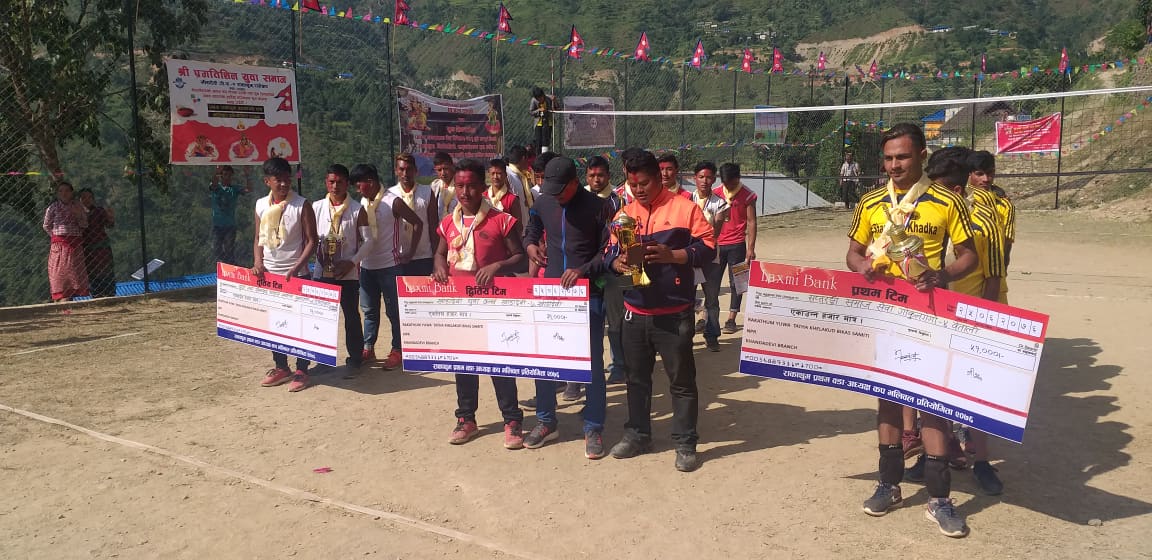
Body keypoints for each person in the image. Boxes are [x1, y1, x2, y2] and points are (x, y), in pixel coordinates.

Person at [846, 123, 977, 537]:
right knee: (887, 401)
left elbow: (969, 256)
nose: (894, 165)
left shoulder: (946, 201)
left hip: (929, 315)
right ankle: (889, 485)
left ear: (921, 155)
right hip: (884, 315)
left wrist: (942, 274)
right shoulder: (870, 202)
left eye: (902, 157)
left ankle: (939, 500)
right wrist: (862, 266)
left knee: (932, 404)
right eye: (888, 158)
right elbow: (852, 253)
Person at [607, 150, 717, 472]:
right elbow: (609, 252)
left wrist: (675, 255)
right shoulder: (624, 215)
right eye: (632, 185)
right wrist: (616, 262)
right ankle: (638, 435)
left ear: (659, 178)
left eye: (643, 183)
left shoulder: (685, 208)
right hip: (634, 311)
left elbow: (709, 248)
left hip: (674, 312)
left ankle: (685, 443)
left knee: (681, 381)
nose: (638, 190)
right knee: (636, 379)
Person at [522, 156, 613, 458]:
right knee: (545, 358)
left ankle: (594, 426)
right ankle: (546, 421)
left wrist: (583, 269)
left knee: (591, 363)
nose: (555, 196)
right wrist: (530, 245)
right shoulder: (544, 201)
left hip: (588, 294)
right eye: (551, 190)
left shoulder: (599, 207)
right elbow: (531, 228)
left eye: (560, 191)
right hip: (551, 294)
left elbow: (609, 250)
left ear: (575, 182)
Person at [929, 148, 1007, 497]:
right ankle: (942, 449)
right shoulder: (930, 214)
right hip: (937, 314)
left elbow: (993, 276)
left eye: (939, 188)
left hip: (972, 316)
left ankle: (983, 461)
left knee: (974, 388)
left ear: (957, 189)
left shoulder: (985, 222)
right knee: (935, 386)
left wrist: (981, 322)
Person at [434, 158, 527, 449]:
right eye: (460, 186)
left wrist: (498, 266)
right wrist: (439, 266)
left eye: (471, 186)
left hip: (493, 304)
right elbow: (439, 253)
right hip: (460, 306)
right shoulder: (449, 222)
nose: (465, 192)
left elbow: (521, 257)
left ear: (482, 186)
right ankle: (466, 419)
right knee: (463, 363)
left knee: (500, 364)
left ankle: (512, 420)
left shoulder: (500, 219)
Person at [254, 157, 319, 392]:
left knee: (300, 324)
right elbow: (258, 237)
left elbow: (312, 240)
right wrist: (258, 262)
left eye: (286, 179)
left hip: (297, 275)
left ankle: (302, 370)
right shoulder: (261, 205)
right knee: (275, 324)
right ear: (267, 181)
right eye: (278, 180)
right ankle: (281, 366)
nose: (283, 184)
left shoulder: (301, 205)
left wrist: (298, 266)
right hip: (271, 275)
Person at [354, 163, 425, 369]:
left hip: (389, 265)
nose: (357, 189)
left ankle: (398, 350)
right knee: (369, 311)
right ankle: (368, 347)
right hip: (367, 266)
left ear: (370, 182)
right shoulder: (363, 202)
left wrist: (410, 252)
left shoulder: (393, 201)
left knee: (394, 312)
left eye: (359, 184)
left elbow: (417, 222)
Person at [310, 164, 371, 382]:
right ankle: (322, 360)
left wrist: (352, 262)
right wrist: (318, 257)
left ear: (347, 184)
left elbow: (369, 241)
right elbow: (310, 238)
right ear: (326, 183)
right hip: (321, 271)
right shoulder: (316, 207)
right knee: (321, 316)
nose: (335, 186)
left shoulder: (357, 209)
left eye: (340, 182)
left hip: (347, 273)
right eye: (331, 181)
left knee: (351, 315)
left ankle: (355, 359)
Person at [585, 156, 627, 384]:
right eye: (592, 175)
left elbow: (623, 235)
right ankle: (587, 369)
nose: (596, 179)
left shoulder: (618, 201)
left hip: (611, 268)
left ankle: (618, 364)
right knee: (588, 322)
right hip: (586, 269)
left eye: (600, 175)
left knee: (614, 319)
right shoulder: (580, 199)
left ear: (608, 176)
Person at [690, 162, 730, 352]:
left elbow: (715, 232)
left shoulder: (719, 203)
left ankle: (712, 335)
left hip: (710, 257)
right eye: (701, 177)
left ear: (714, 179)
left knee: (712, 298)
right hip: (689, 257)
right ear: (694, 179)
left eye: (708, 177)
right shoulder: (687, 199)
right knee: (687, 298)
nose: (704, 181)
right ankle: (686, 335)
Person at [714, 163, 758, 334]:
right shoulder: (716, 193)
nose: (729, 186)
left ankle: (731, 318)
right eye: (726, 183)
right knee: (712, 282)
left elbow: (752, 222)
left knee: (737, 283)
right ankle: (708, 317)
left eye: (732, 183)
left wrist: (750, 248)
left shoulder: (748, 195)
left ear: (738, 178)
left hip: (738, 245)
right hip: (717, 245)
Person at [969, 150, 1016, 306]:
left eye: (990, 174)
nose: (986, 179)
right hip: (966, 281)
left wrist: (998, 277)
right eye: (979, 174)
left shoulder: (1005, 206)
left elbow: (1006, 247)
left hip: (995, 280)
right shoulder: (959, 200)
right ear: (969, 174)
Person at [42, 181, 90, 302]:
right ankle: (61, 299)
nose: (64, 193)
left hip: (75, 244)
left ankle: (69, 300)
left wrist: (77, 215)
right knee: (60, 274)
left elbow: (84, 224)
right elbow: (46, 225)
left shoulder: (78, 206)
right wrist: (55, 237)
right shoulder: (53, 207)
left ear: (72, 193)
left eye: (67, 191)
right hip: (60, 244)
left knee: (73, 274)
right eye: (61, 191)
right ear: (57, 193)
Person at [209, 165, 251, 265]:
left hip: (230, 226)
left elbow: (248, 189)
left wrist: (247, 175)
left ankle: (231, 266)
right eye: (225, 174)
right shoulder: (216, 187)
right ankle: (226, 264)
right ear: (221, 176)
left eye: (229, 175)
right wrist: (216, 172)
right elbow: (213, 183)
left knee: (229, 249)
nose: (227, 177)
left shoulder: (234, 189)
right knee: (216, 249)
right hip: (217, 225)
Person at [78, 188, 116, 298]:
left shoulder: (99, 211)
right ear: (79, 200)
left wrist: (111, 218)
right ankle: (96, 295)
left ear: (93, 199)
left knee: (106, 272)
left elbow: (109, 225)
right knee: (92, 273)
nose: (87, 200)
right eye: (83, 197)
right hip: (87, 250)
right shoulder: (77, 213)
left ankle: (110, 293)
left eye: (89, 197)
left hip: (102, 249)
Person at [485, 158, 524, 237]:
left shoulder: (512, 199)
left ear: (505, 175)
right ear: (488, 174)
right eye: (493, 173)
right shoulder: (483, 196)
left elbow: (518, 227)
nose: (495, 177)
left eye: (499, 173)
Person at [505, 145, 535, 218]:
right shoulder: (507, 175)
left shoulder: (522, 175)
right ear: (524, 158)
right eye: (528, 159)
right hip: (513, 222)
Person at [430, 152, 458, 218]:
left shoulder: (461, 185)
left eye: (446, 168)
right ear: (435, 170)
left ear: (452, 166)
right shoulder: (434, 186)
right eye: (439, 170)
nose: (443, 173)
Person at [530, 86, 554, 155]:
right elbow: (531, 112)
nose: (540, 100)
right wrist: (539, 110)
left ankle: (545, 155)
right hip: (539, 123)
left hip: (548, 123)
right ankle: (538, 156)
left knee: (546, 141)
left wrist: (554, 101)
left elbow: (557, 107)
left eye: (541, 98)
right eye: (538, 99)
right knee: (538, 142)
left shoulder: (549, 98)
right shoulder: (533, 100)